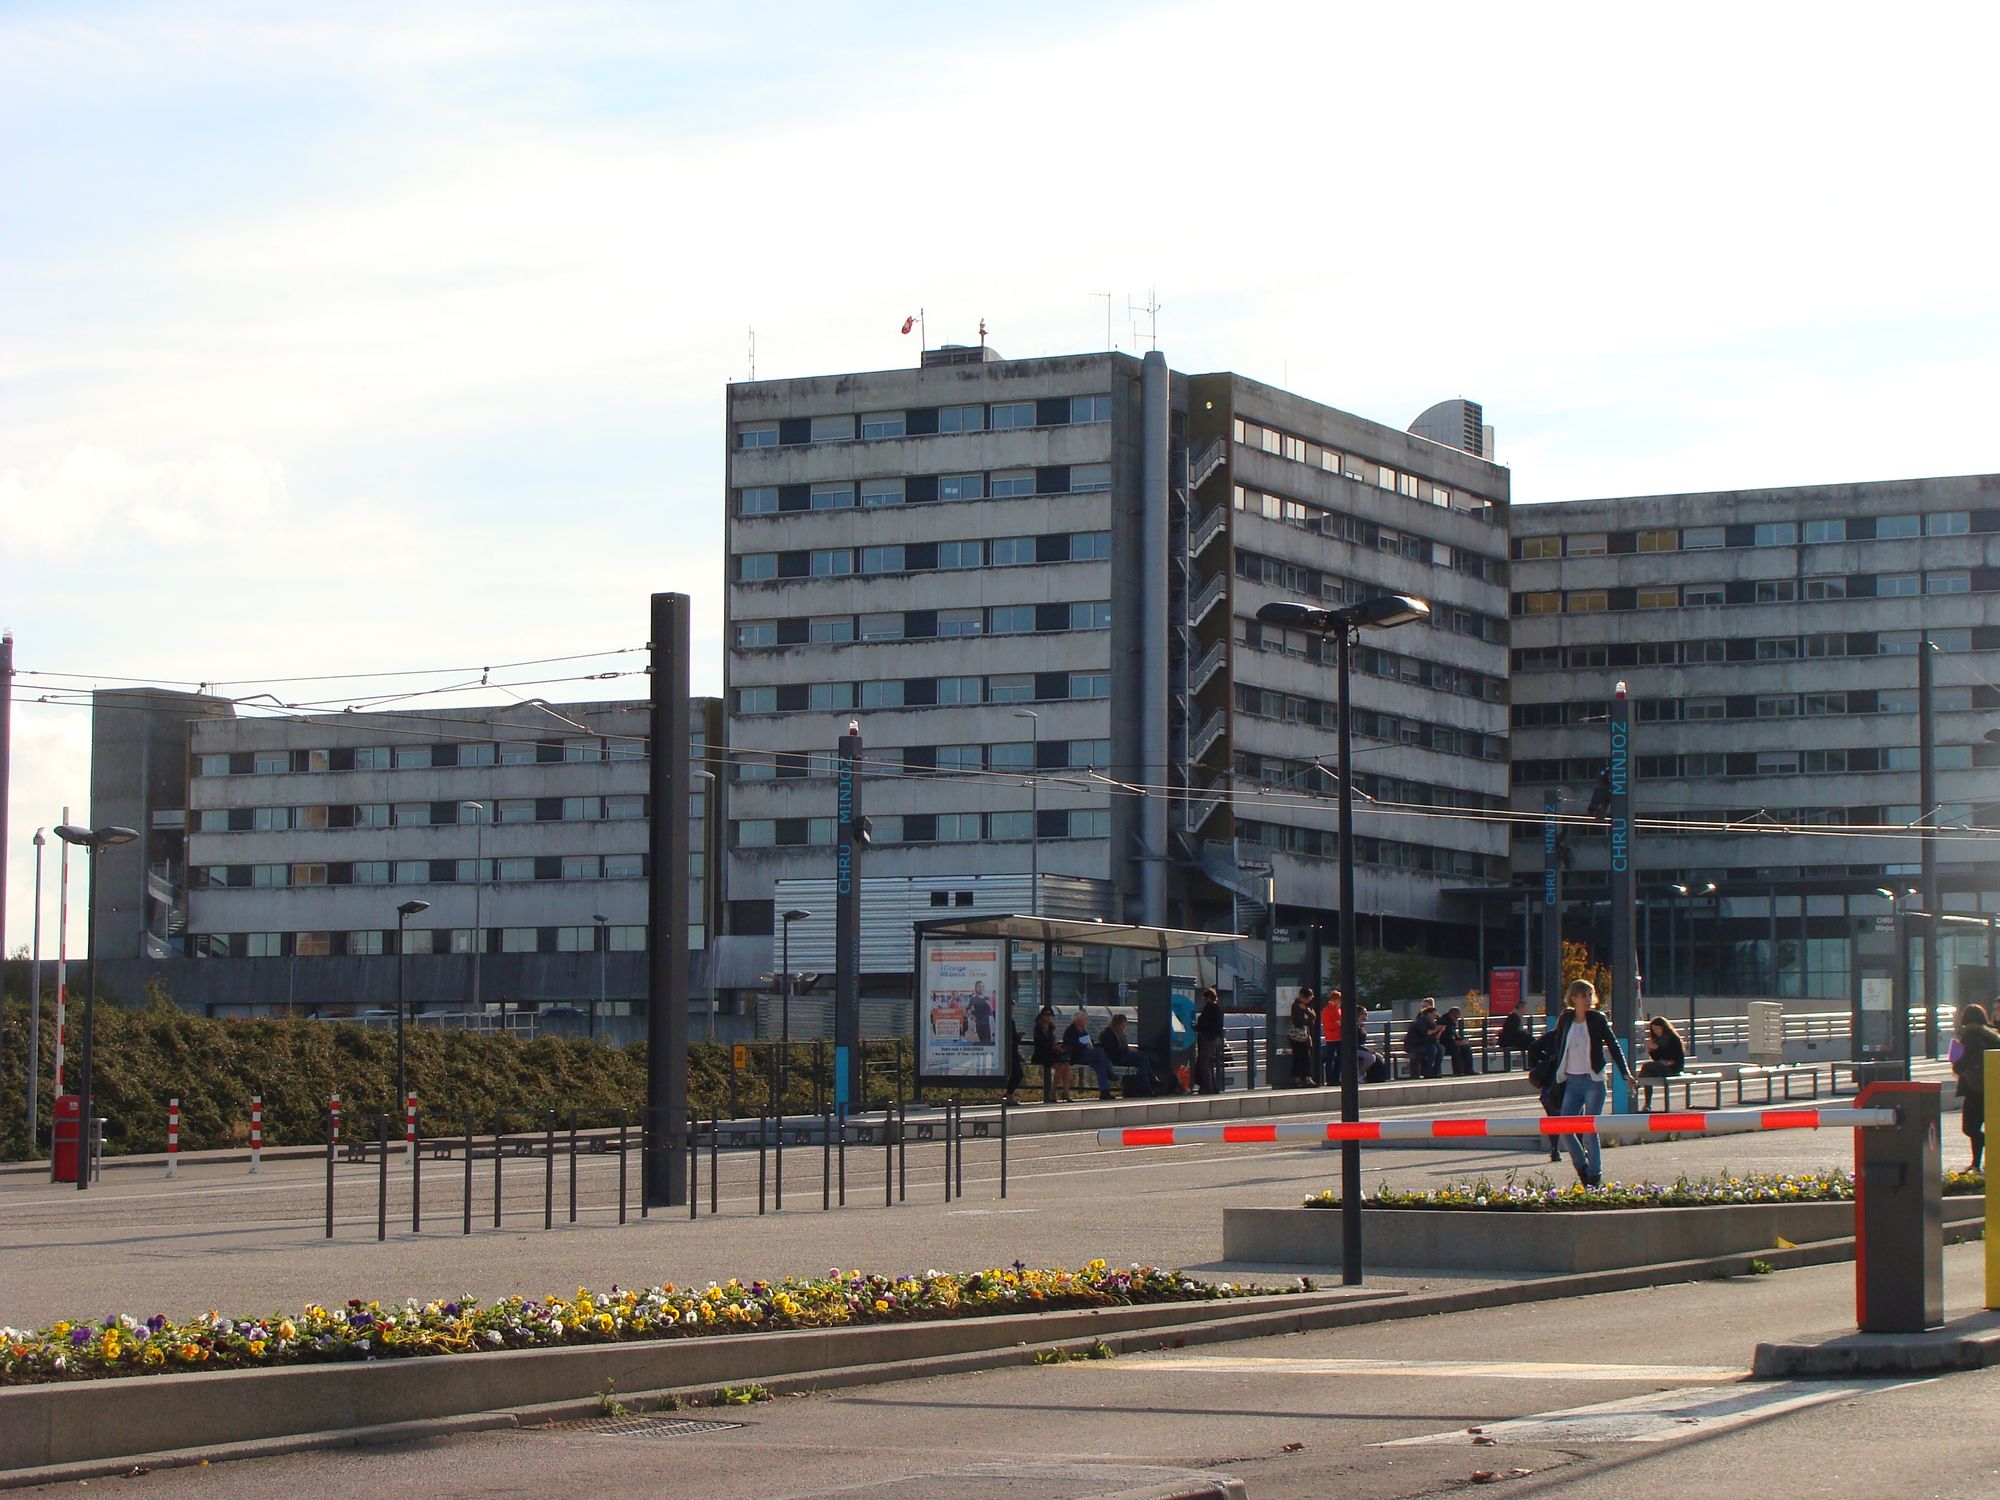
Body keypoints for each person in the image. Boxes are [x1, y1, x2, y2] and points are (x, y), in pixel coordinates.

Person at [1548, 979, 1636, 1188]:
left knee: (1589, 1130)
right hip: (1571, 1081)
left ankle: (1594, 1176)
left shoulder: (1597, 1019)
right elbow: (1557, 1046)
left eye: (1590, 995)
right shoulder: (1566, 1019)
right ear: (1573, 998)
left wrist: (1625, 1073)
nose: (1587, 1000)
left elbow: (1613, 1045)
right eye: (1583, 996)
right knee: (1564, 1128)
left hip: (1593, 1081)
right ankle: (1582, 1167)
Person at [1953, 1004, 2000, 1173]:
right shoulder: (1991, 1033)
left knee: (1970, 1128)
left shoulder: (1969, 1034)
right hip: (1992, 1087)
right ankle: (1976, 1163)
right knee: (1986, 1125)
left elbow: (1958, 1063)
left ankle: (1979, 1161)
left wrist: (1955, 1046)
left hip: (1974, 1089)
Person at [1063, 1008, 1116, 1099]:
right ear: (1078, 1020)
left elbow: (1088, 1040)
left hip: (1086, 1054)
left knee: (1100, 1066)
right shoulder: (1070, 1031)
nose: (1086, 1021)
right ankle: (1109, 1071)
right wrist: (1085, 1046)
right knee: (1100, 1051)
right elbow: (1071, 1045)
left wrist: (1090, 1044)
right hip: (1076, 1055)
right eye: (1085, 1019)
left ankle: (1104, 1091)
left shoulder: (1083, 1030)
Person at [1098, 1012, 1156, 1095]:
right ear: (1120, 1023)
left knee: (1142, 1061)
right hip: (1117, 1057)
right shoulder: (1110, 1034)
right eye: (1123, 1024)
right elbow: (1114, 1050)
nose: (1124, 1027)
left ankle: (1146, 1085)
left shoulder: (1117, 1032)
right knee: (1143, 1057)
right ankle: (1150, 1080)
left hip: (1121, 1054)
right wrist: (1127, 1049)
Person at [1030, 1004, 1069, 1101]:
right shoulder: (1038, 1028)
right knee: (1061, 1066)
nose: (1049, 1017)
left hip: (1051, 1054)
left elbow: (1052, 1041)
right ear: (1042, 1016)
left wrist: (1057, 1047)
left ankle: (1066, 1092)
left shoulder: (1051, 1028)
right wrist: (1053, 1046)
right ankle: (1052, 1092)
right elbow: (1041, 1043)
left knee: (1066, 1065)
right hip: (1041, 1054)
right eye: (1047, 1015)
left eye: (1050, 1015)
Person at [1195, 987, 1225, 1094]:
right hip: (1215, 1038)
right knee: (1210, 1063)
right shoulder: (1219, 1008)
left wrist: (1196, 1027)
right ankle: (1213, 1087)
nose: (1204, 1001)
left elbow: (1204, 1023)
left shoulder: (1210, 1007)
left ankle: (1207, 1087)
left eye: (1204, 998)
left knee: (1204, 1063)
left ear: (1208, 998)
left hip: (1207, 1038)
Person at [1288, 986, 1320, 1087]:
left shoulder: (1306, 1006)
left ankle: (1306, 1077)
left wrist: (1307, 1011)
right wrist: (1308, 1016)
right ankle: (1299, 1078)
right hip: (1297, 1036)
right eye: (1308, 997)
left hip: (1305, 1035)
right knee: (1298, 1057)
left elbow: (1313, 1017)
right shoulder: (1296, 1006)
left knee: (1306, 1057)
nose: (1309, 1000)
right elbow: (1300, 1021)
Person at [1403, 1005, 1444, 1078]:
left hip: (1424, 1044)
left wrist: (1440, 1031)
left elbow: (1435, 1038)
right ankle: (1428, 1071)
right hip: (1414, 1046)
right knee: (1432, 1049)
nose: (1435, 1017)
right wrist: (1436, 1029)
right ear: (1428, 1013)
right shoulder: (1421, 1021)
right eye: (1434, 1015)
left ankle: (1436, 1071)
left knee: (1440, 1048)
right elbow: (1425, 1032)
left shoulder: (1431, 1023)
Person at [1439, 1006, 1476, 1075]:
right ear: (1452, 1015)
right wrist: (1457, 1042)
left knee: (1466, 1048)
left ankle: (1468, 1070)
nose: (1457, 1019)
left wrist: (1462, 1040)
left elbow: (1455, 1035)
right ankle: (1457, 1071)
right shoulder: (1444, 1021)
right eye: (1456, 1017)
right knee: (1456, 1049)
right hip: (1444, 1044)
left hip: (1451, 1042)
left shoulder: (1452, 1022)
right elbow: (1446, 1038)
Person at [1319, 988, 1344, 1086]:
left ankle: (1336, 1078)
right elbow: (1328, 1025)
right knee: (1331, 1059)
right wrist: (1338, 1023)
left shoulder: (1338, 1009)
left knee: (1339, 1059)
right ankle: (1330, 1079)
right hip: (1331, 1038)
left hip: (1339, 1037)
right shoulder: (1327, 1010)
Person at [1004, 1007, 1025, 1106]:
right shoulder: (1009, 1021)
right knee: (1018, 1073)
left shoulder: (1005, 1020)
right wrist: (1019, 1036)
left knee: (1016, 1073)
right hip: (1011, 1053)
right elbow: (1013, 1038)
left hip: (1009, 1052)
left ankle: (1009, 1095)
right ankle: (1009, 1095)